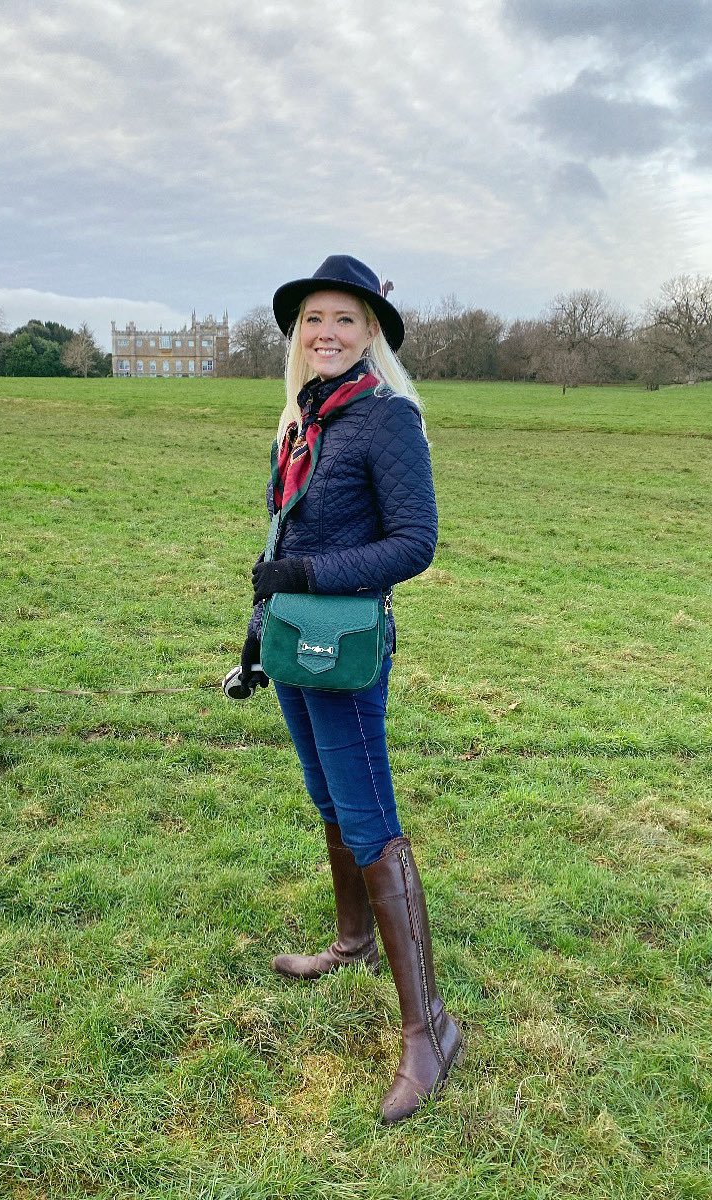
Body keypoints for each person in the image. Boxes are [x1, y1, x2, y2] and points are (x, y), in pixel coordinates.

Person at [235, 255, 462, 1123]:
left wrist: (307, 571)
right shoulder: (302, 421)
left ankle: (430, 1030)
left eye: (342, 320)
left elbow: (414, 544)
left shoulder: (385, 419)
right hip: (293, 642)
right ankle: (352, 941)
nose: (324, 333)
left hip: (349, 646)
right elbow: (275, 546)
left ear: (371, 333)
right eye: (312, 321)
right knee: (329, 799)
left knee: (370, 818)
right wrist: (255, 642)